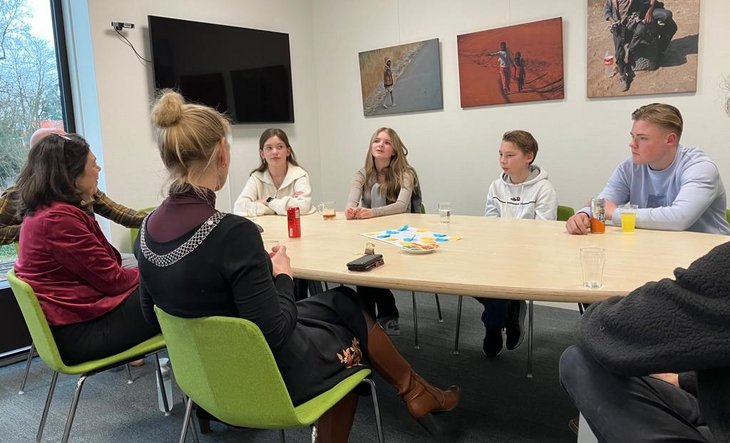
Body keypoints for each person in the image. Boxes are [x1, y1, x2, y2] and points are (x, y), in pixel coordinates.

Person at [137, 90, 459, 441]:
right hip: (267, 374)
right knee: (348, 337)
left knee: (342, 300)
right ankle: (414, 391)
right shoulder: (233, 234)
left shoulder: (147, 228)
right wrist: (284, 276)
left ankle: (417, 390)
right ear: (222, 154)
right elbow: (275, 331)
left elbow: (151, 317)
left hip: (205, 377)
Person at [13, 133, 159, 365]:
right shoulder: (58, 221)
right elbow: (115, 280)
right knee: (178, 287)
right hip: (81, 335)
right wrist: (161, 271)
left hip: (74, 324)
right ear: (72, 178)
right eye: (93, 164)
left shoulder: (43, 212)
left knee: (176, 287)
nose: (98, 169)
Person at [565, 103, 730, 236]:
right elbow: (605, 202)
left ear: (670, 140)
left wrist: (614, 213)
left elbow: (680, 218)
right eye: (632, 136)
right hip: (654, 248)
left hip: (707, 258)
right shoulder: (629, 167)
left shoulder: (699, 167)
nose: (632, 144)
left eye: (642, 138)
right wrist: (584, 215)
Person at [480, 130, 557, 357]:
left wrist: (510, 241)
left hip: (530, 259)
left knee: (495, 290)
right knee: (467, 279)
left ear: (528, 157)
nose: (503, 161)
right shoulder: (496, 187)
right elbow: (490, 223)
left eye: (510, 155)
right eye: (501, 154)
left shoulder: (544, 189)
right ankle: (510, 311)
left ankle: (492, 326)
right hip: (499, 255)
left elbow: (543, 232)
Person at [0, 128, 146, 246]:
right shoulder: (19, 195)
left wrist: (160, 220)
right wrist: (38, 229)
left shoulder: (82, 190)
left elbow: (122, 214)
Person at [345, 127, 420, 335]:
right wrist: (352, 210)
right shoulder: (361, 174)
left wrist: (372, 212)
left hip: (400, 235)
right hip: (370, 235)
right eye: (376, 141)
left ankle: (378, 315)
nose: (380, 145)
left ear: (394, 150)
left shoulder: (406, 173)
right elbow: (350, 202)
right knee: (363, 266)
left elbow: (401, 206)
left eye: (386, 142)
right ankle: (375, 317)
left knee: (368, 266)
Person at [232, 128, 312, 217]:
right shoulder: (256, 178)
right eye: (269, 148)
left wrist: (268, 201)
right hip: (267, 228)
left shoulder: (299, 175)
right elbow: (239, 208)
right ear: (262, 154)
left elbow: (303, 207)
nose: (275, 152)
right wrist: (284, 205)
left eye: (280, 147)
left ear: (288, 151)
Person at [604, 0, 677, 91]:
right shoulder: (611, 1)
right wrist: (612, 21)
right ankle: (623, 75)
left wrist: (649, 10)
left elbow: (649, 3)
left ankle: (638, 49)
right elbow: (607, 11)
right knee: (619, 54)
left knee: (646, 27)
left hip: (635, 22)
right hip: (619, 27)